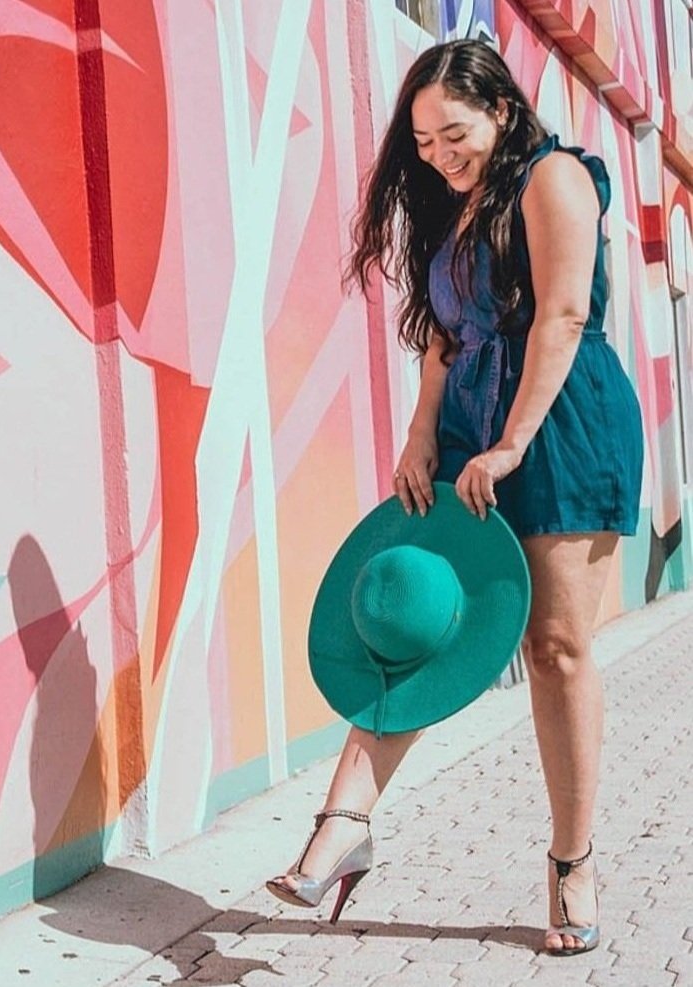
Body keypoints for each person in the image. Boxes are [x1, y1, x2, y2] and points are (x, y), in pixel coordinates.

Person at [265, 39, 644, 957]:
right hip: (472, 425)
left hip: (562, 419)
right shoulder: (456, 207)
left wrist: (515, 440)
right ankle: (343, 822)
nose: (437, 154)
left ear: (502, 109)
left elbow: (560, 313)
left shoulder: (556, 178)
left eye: (453, 133)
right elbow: (442, 335)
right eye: (424, 140)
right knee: (413, 614)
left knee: (555, 648)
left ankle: (571, 863)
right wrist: (421, 433)